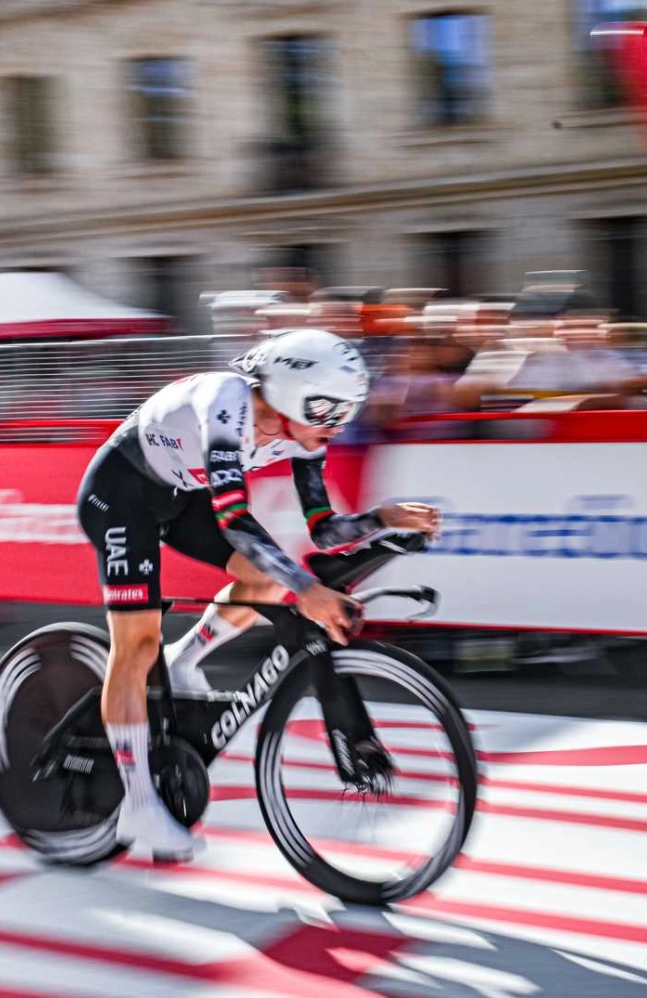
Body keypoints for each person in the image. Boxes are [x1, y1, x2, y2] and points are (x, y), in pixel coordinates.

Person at [74, 328, 441, 860]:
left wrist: (381, 518)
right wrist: (309, 591)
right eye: (327, 409)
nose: (335, 425)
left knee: (268, 577)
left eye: (345, 412)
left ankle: (186, 659)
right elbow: (236, 520)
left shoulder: (302, 432)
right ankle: (136, 803)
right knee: (136, 645)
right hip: (122, 494)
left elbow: (323, 529)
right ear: (294, 391)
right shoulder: (226, 403)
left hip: (183, 497)